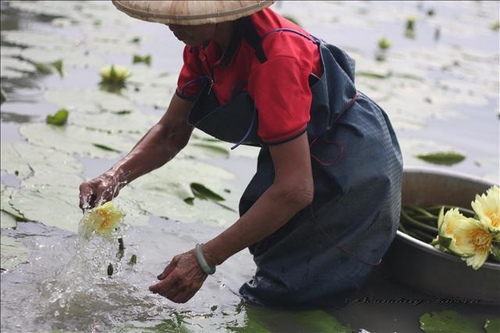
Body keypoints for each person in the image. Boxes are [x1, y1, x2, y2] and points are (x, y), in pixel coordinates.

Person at [79, 0, 403, 309]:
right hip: (304, 147)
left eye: (185, 14)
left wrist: (204, 258)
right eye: (171, 12)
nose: (171, 24)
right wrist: (113, 178)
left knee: (293, 291)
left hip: (351, 159)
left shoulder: (275, 60)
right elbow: (170, 132)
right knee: (277, 261)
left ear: (219, 12)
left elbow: (294, 189)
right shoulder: (202, 46)